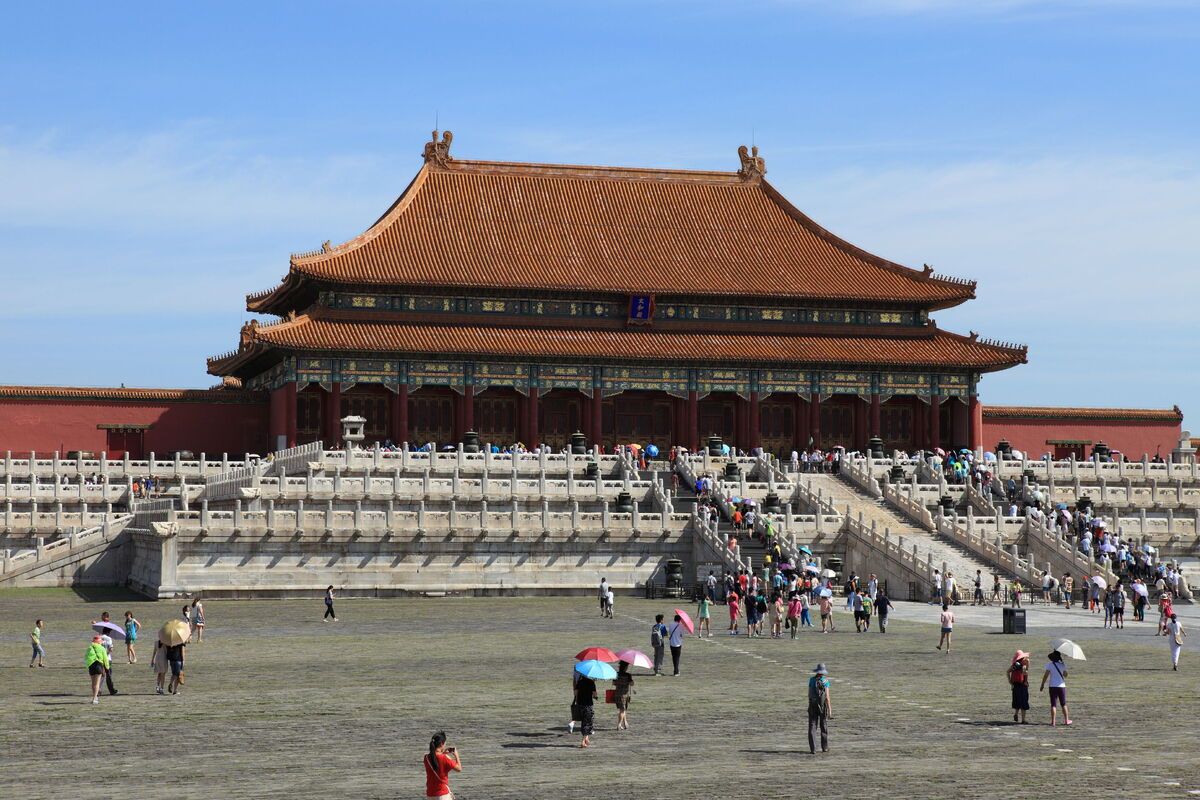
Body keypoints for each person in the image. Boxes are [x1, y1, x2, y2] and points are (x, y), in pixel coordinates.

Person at [424, 731, 462, 799]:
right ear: (442, 744)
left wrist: (443, 753)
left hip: (430, 794)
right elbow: (459, 769)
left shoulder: (426, 758)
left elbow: (435, 759)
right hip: (442, 794)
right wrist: (456, 755)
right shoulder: (445, 758)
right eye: (445, 743)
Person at [1039, 651, 1072, 726]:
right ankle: (1066, 720)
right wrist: (1064, 666)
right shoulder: (1062, 665)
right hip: (1061, 686)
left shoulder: (1049, 665)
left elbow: (1045, 676)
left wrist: (1042, 685)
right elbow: (1066, 675)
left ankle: (1053, 722)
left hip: (1052, 686)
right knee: (1063, 704)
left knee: (1053, 704)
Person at [807, 663, 832, 754]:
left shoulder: (811, 680)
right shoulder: (825, 681)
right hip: (822, 706)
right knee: (823, 726)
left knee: (812, 726)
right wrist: (829, 710)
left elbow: (809, 694)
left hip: (813, 706)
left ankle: (813, 749)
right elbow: (827, 697)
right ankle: (824, 747)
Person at [574, 669, 598, 747]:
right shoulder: (591, 682)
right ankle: (583, 741)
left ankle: (586, 739)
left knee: (584, 722)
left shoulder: (579, 682)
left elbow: (575, 693)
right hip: (588, 705)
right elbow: (595, 695)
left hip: (580, 704)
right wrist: (595, 696)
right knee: (588, 722)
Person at [85, 635, 110, 705]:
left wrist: (87, 665)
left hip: (91, 666)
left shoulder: (89, 648)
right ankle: (95, 698)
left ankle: (94, 697)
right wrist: (107, 668)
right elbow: (105, 659)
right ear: (100, 642)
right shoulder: (102, 648)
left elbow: (86, 657)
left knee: (93, 683)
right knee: (97, 683)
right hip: (99, 665)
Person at [1007, 650, 1031, 723]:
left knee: (1017, 701)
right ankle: (1023, 720)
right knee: (1024, 702)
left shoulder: (1014, 665)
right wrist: (1027, 664)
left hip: (1015, 685)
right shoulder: (1023, 666)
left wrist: (1010, 682)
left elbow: (1007, 672)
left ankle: (1016, 714)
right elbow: (1025, 673)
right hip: (1022, 685)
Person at [613, 660, 635, 730]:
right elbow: (632, 684)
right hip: (624, 694)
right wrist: (630, 680)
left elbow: (614, 683)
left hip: (617, 693)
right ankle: (619, 725)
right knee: (622, 710)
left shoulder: (616, 674)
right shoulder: (628, 675)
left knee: (622, 709)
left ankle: (625, 723)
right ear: (626, 667)